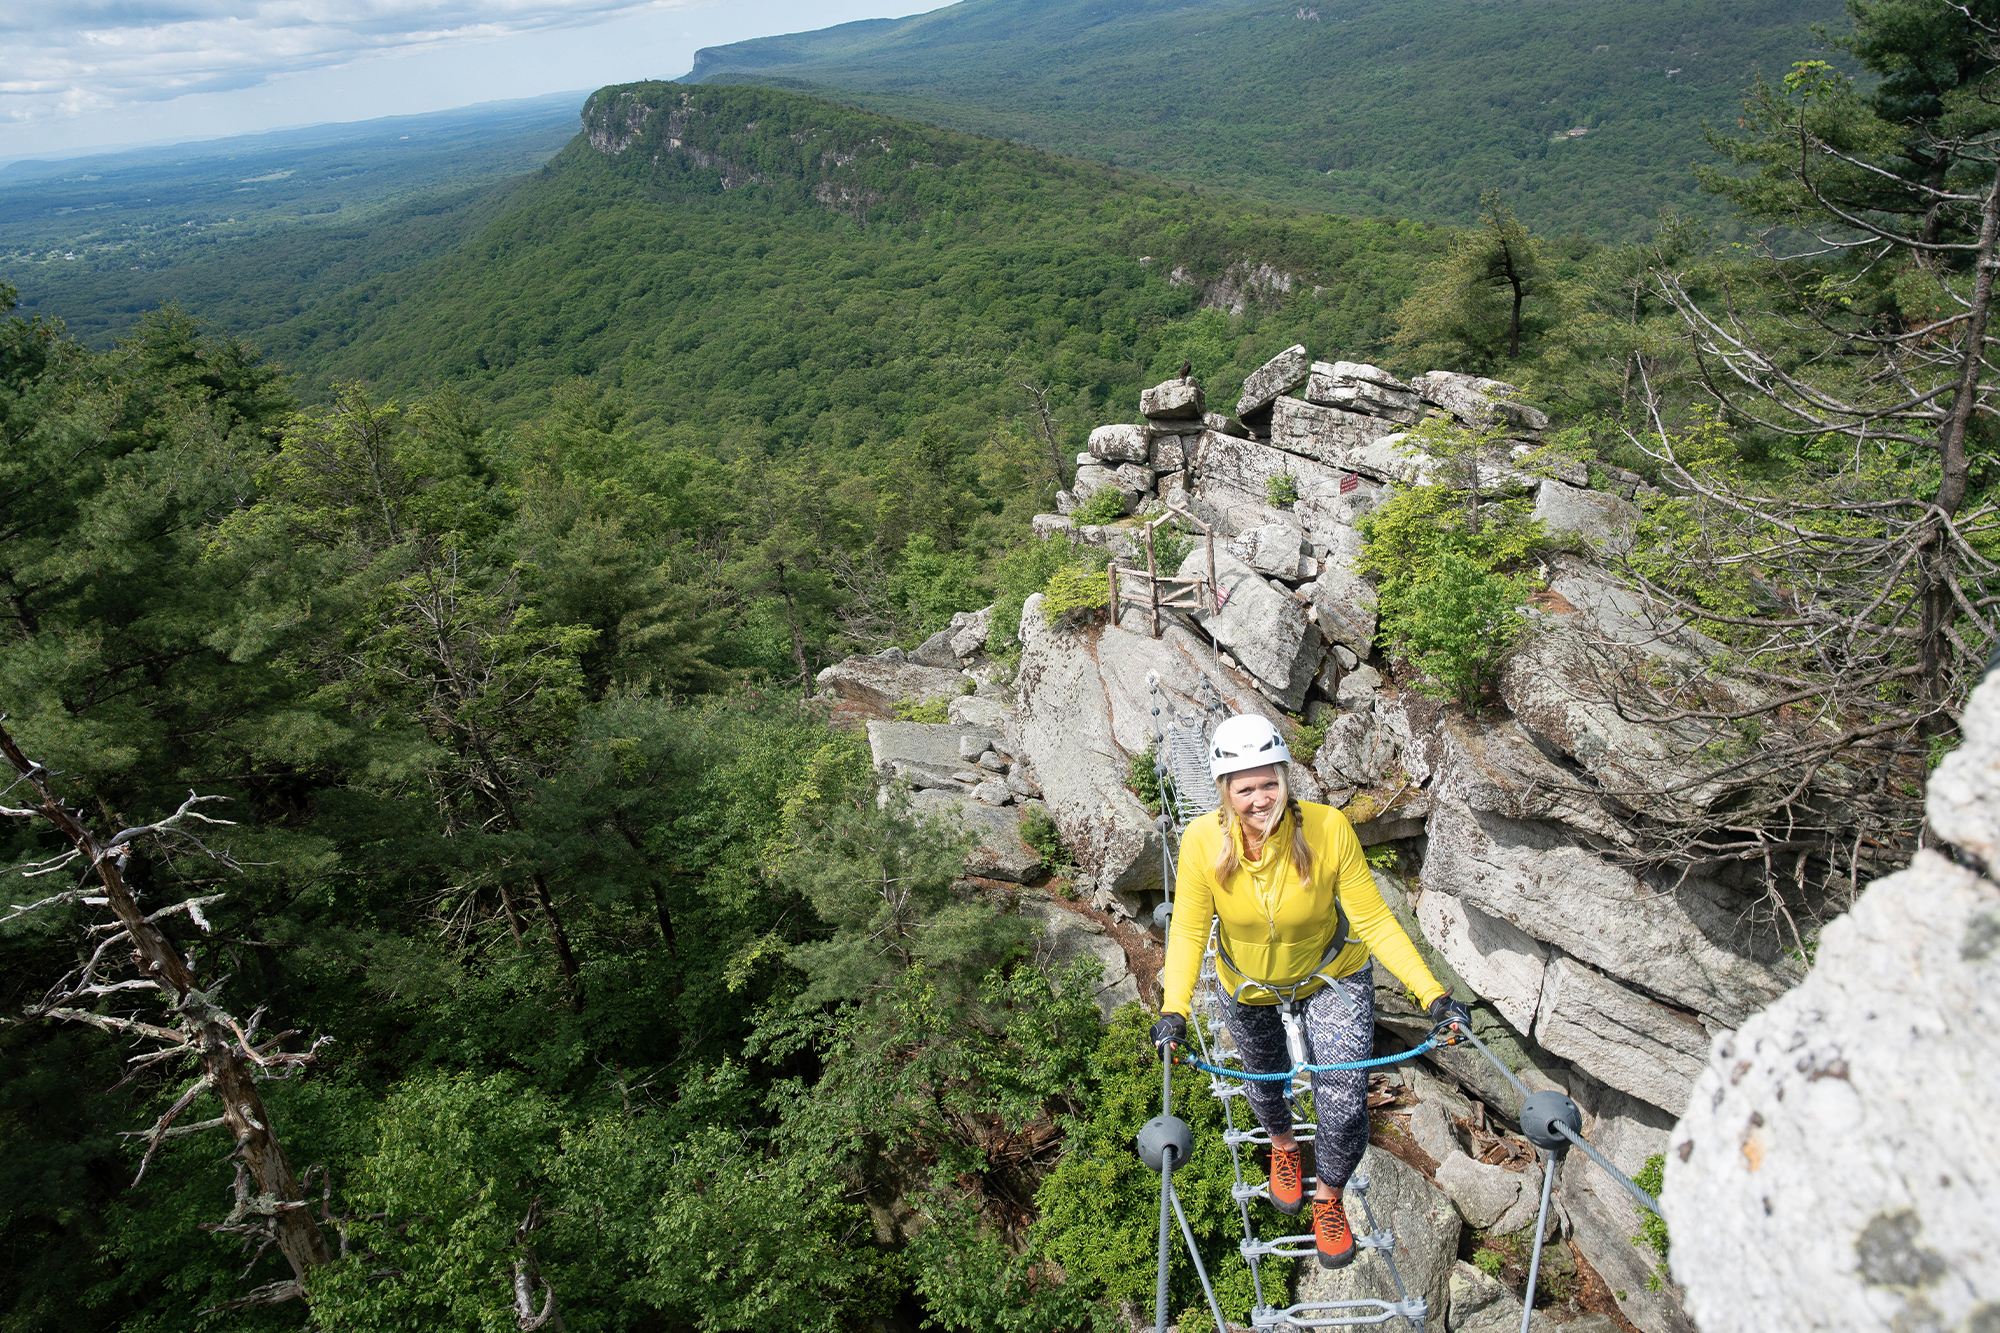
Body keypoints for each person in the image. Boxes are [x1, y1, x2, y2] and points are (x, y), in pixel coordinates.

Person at [1147, 713, 1472, 1270]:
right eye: (1244, 788)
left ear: (1285, 778)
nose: (1259, 799)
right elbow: (1188, 932)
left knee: (1343, 1105)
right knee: (1262, 1083)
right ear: (1224, 791)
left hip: (1332, 976)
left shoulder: (1326, 829)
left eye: (1269, 782)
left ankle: (1329, 1199)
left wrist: (1431, 994)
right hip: (1245, 984)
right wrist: (1174, 1008)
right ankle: (1281, 1145)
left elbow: (1374, 919)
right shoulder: (1201, 842)